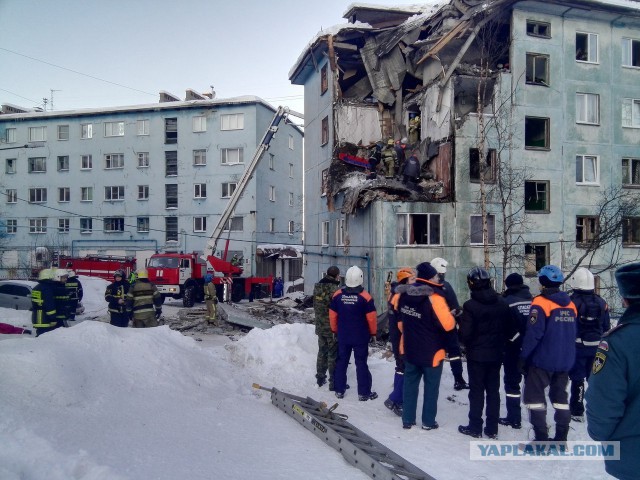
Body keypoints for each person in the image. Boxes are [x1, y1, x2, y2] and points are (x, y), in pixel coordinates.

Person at [586, 262, 640, 480]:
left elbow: (604, 402)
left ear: (625, 300)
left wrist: (601, 433)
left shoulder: (617, 342)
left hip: (633, 456)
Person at [519, 265, 577, 442]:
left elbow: (534, 334)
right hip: (565, 361)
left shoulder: (540, 303)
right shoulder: (571, 304)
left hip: (543, 361)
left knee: (534, 398)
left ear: (543, 282)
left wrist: (523, 357)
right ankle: (561, 438)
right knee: (560, 399)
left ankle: (541, 438)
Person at [397, 262, 456, 430]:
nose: (438, 277)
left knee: (410, 385)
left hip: (410, 347)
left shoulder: (405, 293)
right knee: (431, 388)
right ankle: (428, 422)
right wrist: (451, 315)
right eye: (436, 275)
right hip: (432, 351)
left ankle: (407, 419)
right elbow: (447, 325)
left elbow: (401, 322)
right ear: (430, 277)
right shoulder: (435, 297)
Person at [458, 267, 512, 439]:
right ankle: (492, 428)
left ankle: (475, 426)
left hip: (477, 356)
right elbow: (510, 329)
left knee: (476, 391)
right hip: (496, 354)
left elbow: (465, 334)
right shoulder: (502, 303)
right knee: (493, 391)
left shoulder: (470, 306)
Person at [567, 267, 610, 422]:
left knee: (577, 380)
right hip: (597, 347)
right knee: (595, 380)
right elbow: (606, 326)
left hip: (578, 347)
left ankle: (577, 412)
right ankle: (599, 408)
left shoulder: (571, 303)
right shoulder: (602, 302)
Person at [329, 265, 378, 401]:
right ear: (360, 279)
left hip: (343, 336)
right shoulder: (366, 297)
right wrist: (373, 333)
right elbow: (372, 318)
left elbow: (332, 315)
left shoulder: (338, 295)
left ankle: (339, 390)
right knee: (361, 363)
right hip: (360, 337)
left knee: (341, 362)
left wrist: (334, 330)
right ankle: (364, 393)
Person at [499, 272, 532, 430]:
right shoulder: (533, 300)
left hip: (513, 348)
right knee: (532, 383)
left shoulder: (507, 302)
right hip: (532, 348)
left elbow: (505, 327)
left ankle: (514, 418)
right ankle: (536, 418)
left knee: (512, 384)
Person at [431, 257, 469, 391]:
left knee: (433, 354)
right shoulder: (446, 286)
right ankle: (458, 380)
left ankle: (431, 381)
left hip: (432, 330)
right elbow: (455, 306)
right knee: (454, 353)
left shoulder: (424, 288)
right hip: (448, 327)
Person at [384, 267, 415, 417]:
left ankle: (395, 399)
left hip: (395, 336)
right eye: (411, 279)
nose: (414, 282)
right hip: (402, 338)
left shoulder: (394, 292)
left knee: (400, 367)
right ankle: (396, 399)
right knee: (406, 368)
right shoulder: (401, 297)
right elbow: (402, 323)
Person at [313, 266, 341, 389]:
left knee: (321, 352)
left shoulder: (318, 286)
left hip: (320, 325)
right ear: (336, 275)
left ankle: (320, 378)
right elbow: (338, 308)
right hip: (331, 326)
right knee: (332, 354)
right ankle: (333, 381)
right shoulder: (334, 289)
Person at [31, 268, 60, 337]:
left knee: (39, 336)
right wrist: (53, 318)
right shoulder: (47, 289)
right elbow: (49, 305)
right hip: (44, 318)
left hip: (37, 316)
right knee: (44, 340)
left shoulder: (36, 287)